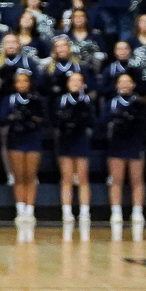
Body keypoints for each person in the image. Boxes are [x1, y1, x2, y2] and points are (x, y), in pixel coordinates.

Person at [103, 71, 146, 230]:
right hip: (116, 143)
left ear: (133, 85)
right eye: (121, 82)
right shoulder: (112, 103)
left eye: (127, 82)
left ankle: (137, 211)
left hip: (134, 142)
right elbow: (103, 122)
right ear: (117, 85)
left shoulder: (139, 103)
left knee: (137, 179)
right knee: (116, 179)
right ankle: (116, 211)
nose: (124, 85)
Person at [52, 69, 97, 231]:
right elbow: (56, 121)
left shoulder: (87, 100)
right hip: (66, 140)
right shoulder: (62, 100)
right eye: (72, 81)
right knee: (67, 178)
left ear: (83, 84)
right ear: (68, 84)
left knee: (83, 177)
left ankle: (84, 212)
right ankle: (67, 212)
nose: (75, 84)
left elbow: (92, 121)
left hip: (81, 139)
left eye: (79, 81)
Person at [0, 68, 45, 225]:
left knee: (30, 176)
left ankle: (30, 209)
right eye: (19, 81)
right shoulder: (10, 100)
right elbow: (3, 118)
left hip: (32, 139)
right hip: (16, 140)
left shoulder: (37, 99)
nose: (22, 84)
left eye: (25, 81)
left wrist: (31, 118)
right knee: (19, 176)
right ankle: (20, 209)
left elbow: (42, 118)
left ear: (30, 83)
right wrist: (13, 118)